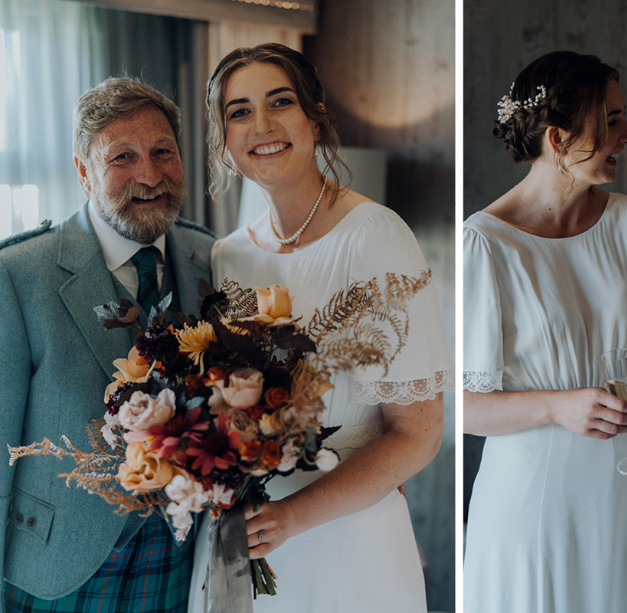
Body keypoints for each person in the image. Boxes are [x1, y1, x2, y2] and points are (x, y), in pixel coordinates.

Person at [186, 43, 452, 613]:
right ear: (224, 141)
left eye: (280, 102)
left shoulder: (376, 236)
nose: (261, 125)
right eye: (238, 112)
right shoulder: (228, 256)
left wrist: (292, 516)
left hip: (348, 539)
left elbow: (419, 433)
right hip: (246, 531)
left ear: (314, 117)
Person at [463, 51, 627, 613]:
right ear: (557, 139)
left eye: (621, 116)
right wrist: (556, 406)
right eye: (610, 120)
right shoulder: (486, 244)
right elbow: (459, 408)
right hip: (534, 491)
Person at [0, 78, 216, 612]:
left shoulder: (211, 260)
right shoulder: (18, 274)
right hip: (55, 567)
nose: (150, 174)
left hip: (177, 563)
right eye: (123, 156)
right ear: (83, 173)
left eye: (163, 152)